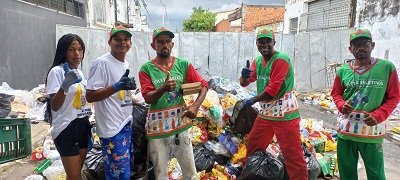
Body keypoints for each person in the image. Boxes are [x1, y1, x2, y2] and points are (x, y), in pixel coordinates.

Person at [138, 27, 208, 179]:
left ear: (172, 44)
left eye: (168, 41)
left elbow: (204, 85)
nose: (165, 44)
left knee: (190, 173)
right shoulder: (146, 69)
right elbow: (148, 98)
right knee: (160, 174)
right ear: (153, 46)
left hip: (180, 127)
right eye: (160, 42)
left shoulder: (183, 65)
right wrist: (163, 88)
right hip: (157, 129)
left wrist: (195, 106)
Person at [239, 27, 308, 180]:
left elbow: (272, 90)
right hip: (267, 113)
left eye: (267, 42)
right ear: (256, 44)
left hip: (285, 115)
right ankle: (249, 174)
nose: (264, 45)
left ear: (274, 42)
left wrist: (252, 100)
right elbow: (246, 82)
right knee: (253, 144)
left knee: (292, 154)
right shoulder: (257, 61)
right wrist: (243, 76)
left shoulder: (281, 59)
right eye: (261, 42)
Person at [331, 29, 400, 180]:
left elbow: (394, 97)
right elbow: (336, 93)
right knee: (347, 173)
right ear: (350, 49)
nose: (360, 47)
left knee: (376, 174)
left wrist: (378, 115)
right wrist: (342, 104)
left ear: (372, 45)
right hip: (346, 131)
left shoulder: (386, 68)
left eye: (364, 44)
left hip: (371, 133)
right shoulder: (343, 70)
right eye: (356, 44)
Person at [86, 25, 136, 179]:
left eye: (126, 39)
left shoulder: (124, 64)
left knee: (125, 172)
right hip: (112, 129)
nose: (122, 42)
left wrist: (133, 97)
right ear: (109, 42)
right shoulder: (102, 63)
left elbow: (119, 95)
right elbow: (90, 96)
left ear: (130, 43)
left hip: (125, 124)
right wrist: (116, 86)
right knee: (118, 175)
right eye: (117, 39)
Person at [45, 33, 92, 179]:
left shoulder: (79, 73)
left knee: (75, 174)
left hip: (82, 125)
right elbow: (55, 106)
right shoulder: (57, 72)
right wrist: (65, 85)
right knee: (74, 176)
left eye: (80, 49)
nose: (77, 54)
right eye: (72, 49)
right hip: (66, 128)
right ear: (64, 51)